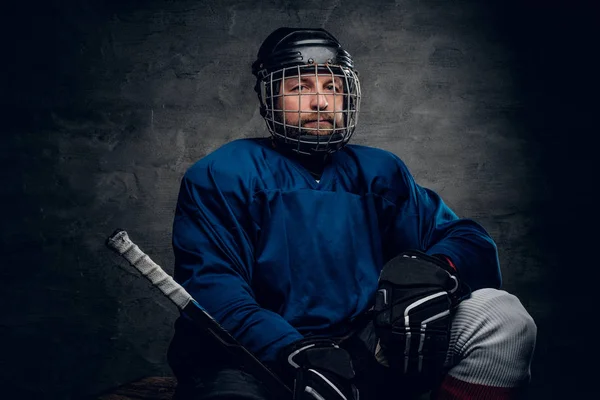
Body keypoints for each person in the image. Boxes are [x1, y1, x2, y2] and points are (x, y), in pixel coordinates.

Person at [166, 27, 537, 400]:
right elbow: (213, 289)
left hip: (362, 348)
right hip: (259, 357)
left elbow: (470, 240)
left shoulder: (379, 171)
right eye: (300, 88)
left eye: (332, 87)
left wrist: (436, 268)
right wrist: (292, 351)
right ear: (270, 100)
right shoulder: (223, 173)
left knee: (500, 316)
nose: (320, 102)